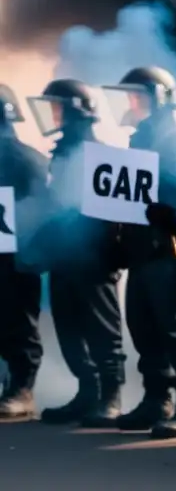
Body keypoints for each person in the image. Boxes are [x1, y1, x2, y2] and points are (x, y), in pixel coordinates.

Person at [100, 67, 176, 438]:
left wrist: (172, 213)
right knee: (143, 329)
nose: (130, 104)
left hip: (168, 256)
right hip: (141, 255)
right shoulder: (139, 142)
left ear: (158, 99)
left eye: (137, 96)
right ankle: (155, 400)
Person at [26, 79, 126, 427]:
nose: (52, 115)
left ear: (76, 112)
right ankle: (88, 392)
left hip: (94, 261)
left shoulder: (101, 156)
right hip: (65, 259)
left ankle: (110, 396)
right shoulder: (62, 155)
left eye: (58, 107)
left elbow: (113, 216)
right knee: (69, 329)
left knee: (102, 330)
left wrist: (107, 252)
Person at [0, 84, 49, 420]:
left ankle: (21, 389)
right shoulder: (27, 156)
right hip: (14, 256)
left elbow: (41, 210)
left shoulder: (24, 159)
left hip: (14, 257)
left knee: (17, 321)